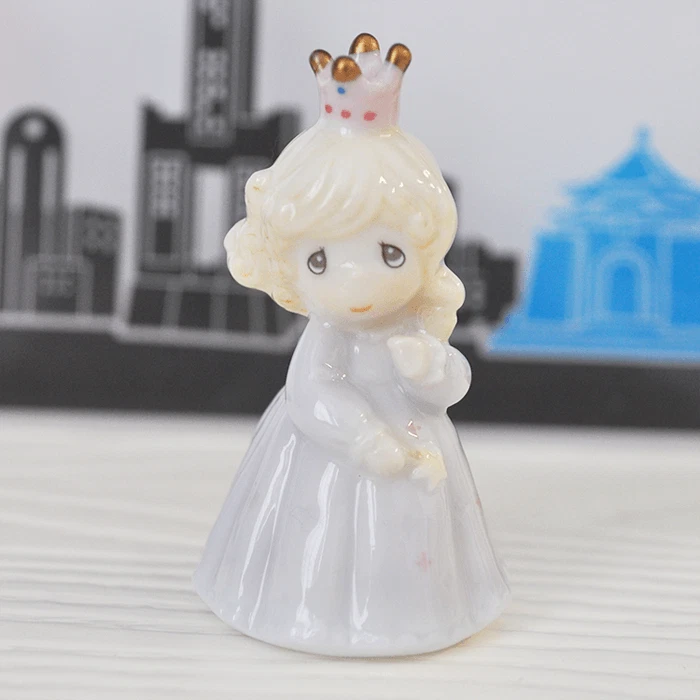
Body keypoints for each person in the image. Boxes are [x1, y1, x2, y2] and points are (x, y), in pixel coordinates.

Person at [193, 33, 509, 657]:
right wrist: (363, 437)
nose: (356, 283)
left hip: (414, 445)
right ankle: (308, 607)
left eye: (389, 253)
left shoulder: (414, 322)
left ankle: (414, 612)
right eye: (320, 261)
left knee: (412, 529)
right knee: (321, 530)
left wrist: (432, 367)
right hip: (332, 451)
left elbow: (450, 387)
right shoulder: (328, 334)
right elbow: (311, 390)